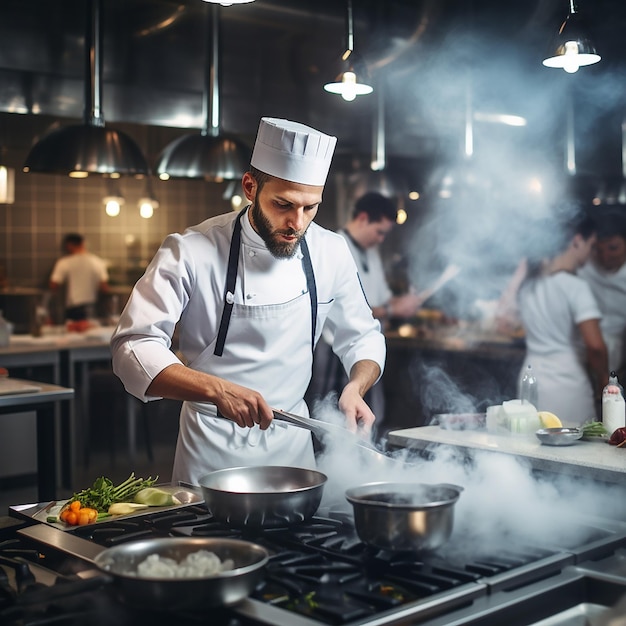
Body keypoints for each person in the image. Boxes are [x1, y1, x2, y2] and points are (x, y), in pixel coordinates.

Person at [110, 117, 386, 485]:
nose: (297, 223)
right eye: (284, 204)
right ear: (250, 187)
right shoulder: (190, 250)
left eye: (310, 208)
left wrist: (356, 387)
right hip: (211, 448)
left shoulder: (330, 251)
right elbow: (133, 347)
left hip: (293, 449)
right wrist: (214, 388)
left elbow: (363, 336)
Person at [308, 191, 422, 422]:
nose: (381, 239)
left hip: (365, 353)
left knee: (369, 419)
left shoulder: (372, 253)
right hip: (335, 354)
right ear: (362, 218)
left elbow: (379, 301)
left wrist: (402, 303)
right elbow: (354, 310)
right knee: (333, 423)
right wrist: (392, 310)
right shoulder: (334, 248)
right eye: (379, 232)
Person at [517, 210, 608, 426]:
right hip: (567, 386)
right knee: (574, 453)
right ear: (577, 241)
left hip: (530, 378)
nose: (592, 253)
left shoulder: (530, 283)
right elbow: (595, 346)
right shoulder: (576, 287)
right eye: (592, 245)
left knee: (529, 449)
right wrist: (604, 380)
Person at [578, 212, 626, 375]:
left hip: (619, 350)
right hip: (581, 347)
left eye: (613, 248)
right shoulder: (583, 266)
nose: (605, 256)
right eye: (598, 249)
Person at [49, 233, 109, 322]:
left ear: (68, 245)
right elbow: (104, 287)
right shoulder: (98, 262)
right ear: (83, 243)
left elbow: (53, 285)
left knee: (73, 333)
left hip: (73, 307)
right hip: (92, 306)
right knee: (92, 333)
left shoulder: (64, 262)